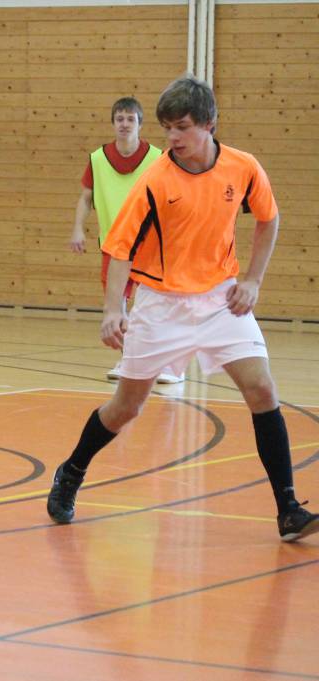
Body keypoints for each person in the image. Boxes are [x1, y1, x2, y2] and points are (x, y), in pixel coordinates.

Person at [47, 75, 318, 542]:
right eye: (167, 128)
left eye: (182, 127)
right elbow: (120, 248)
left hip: (220, 299)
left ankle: (288, 509)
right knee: (126, 407)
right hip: (161, 304)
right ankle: (71, 471)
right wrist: (113, 310)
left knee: (262, 389)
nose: (172, 137)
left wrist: (253, 280)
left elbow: (269, 220)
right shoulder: (155, 178)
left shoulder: (243, 167)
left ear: (209, 124)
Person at [70, 96, 183, 384]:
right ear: (113, 123)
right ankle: (129, 359)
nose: (124, 124)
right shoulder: (98, 159)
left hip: (151, 246)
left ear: (140, 124)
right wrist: (78, 228)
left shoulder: (158, 157)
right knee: (116, 307)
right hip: (114, 246)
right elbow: (86, 198)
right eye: (119, 119)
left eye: (130, 119)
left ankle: (171, 365)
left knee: (156, 306)